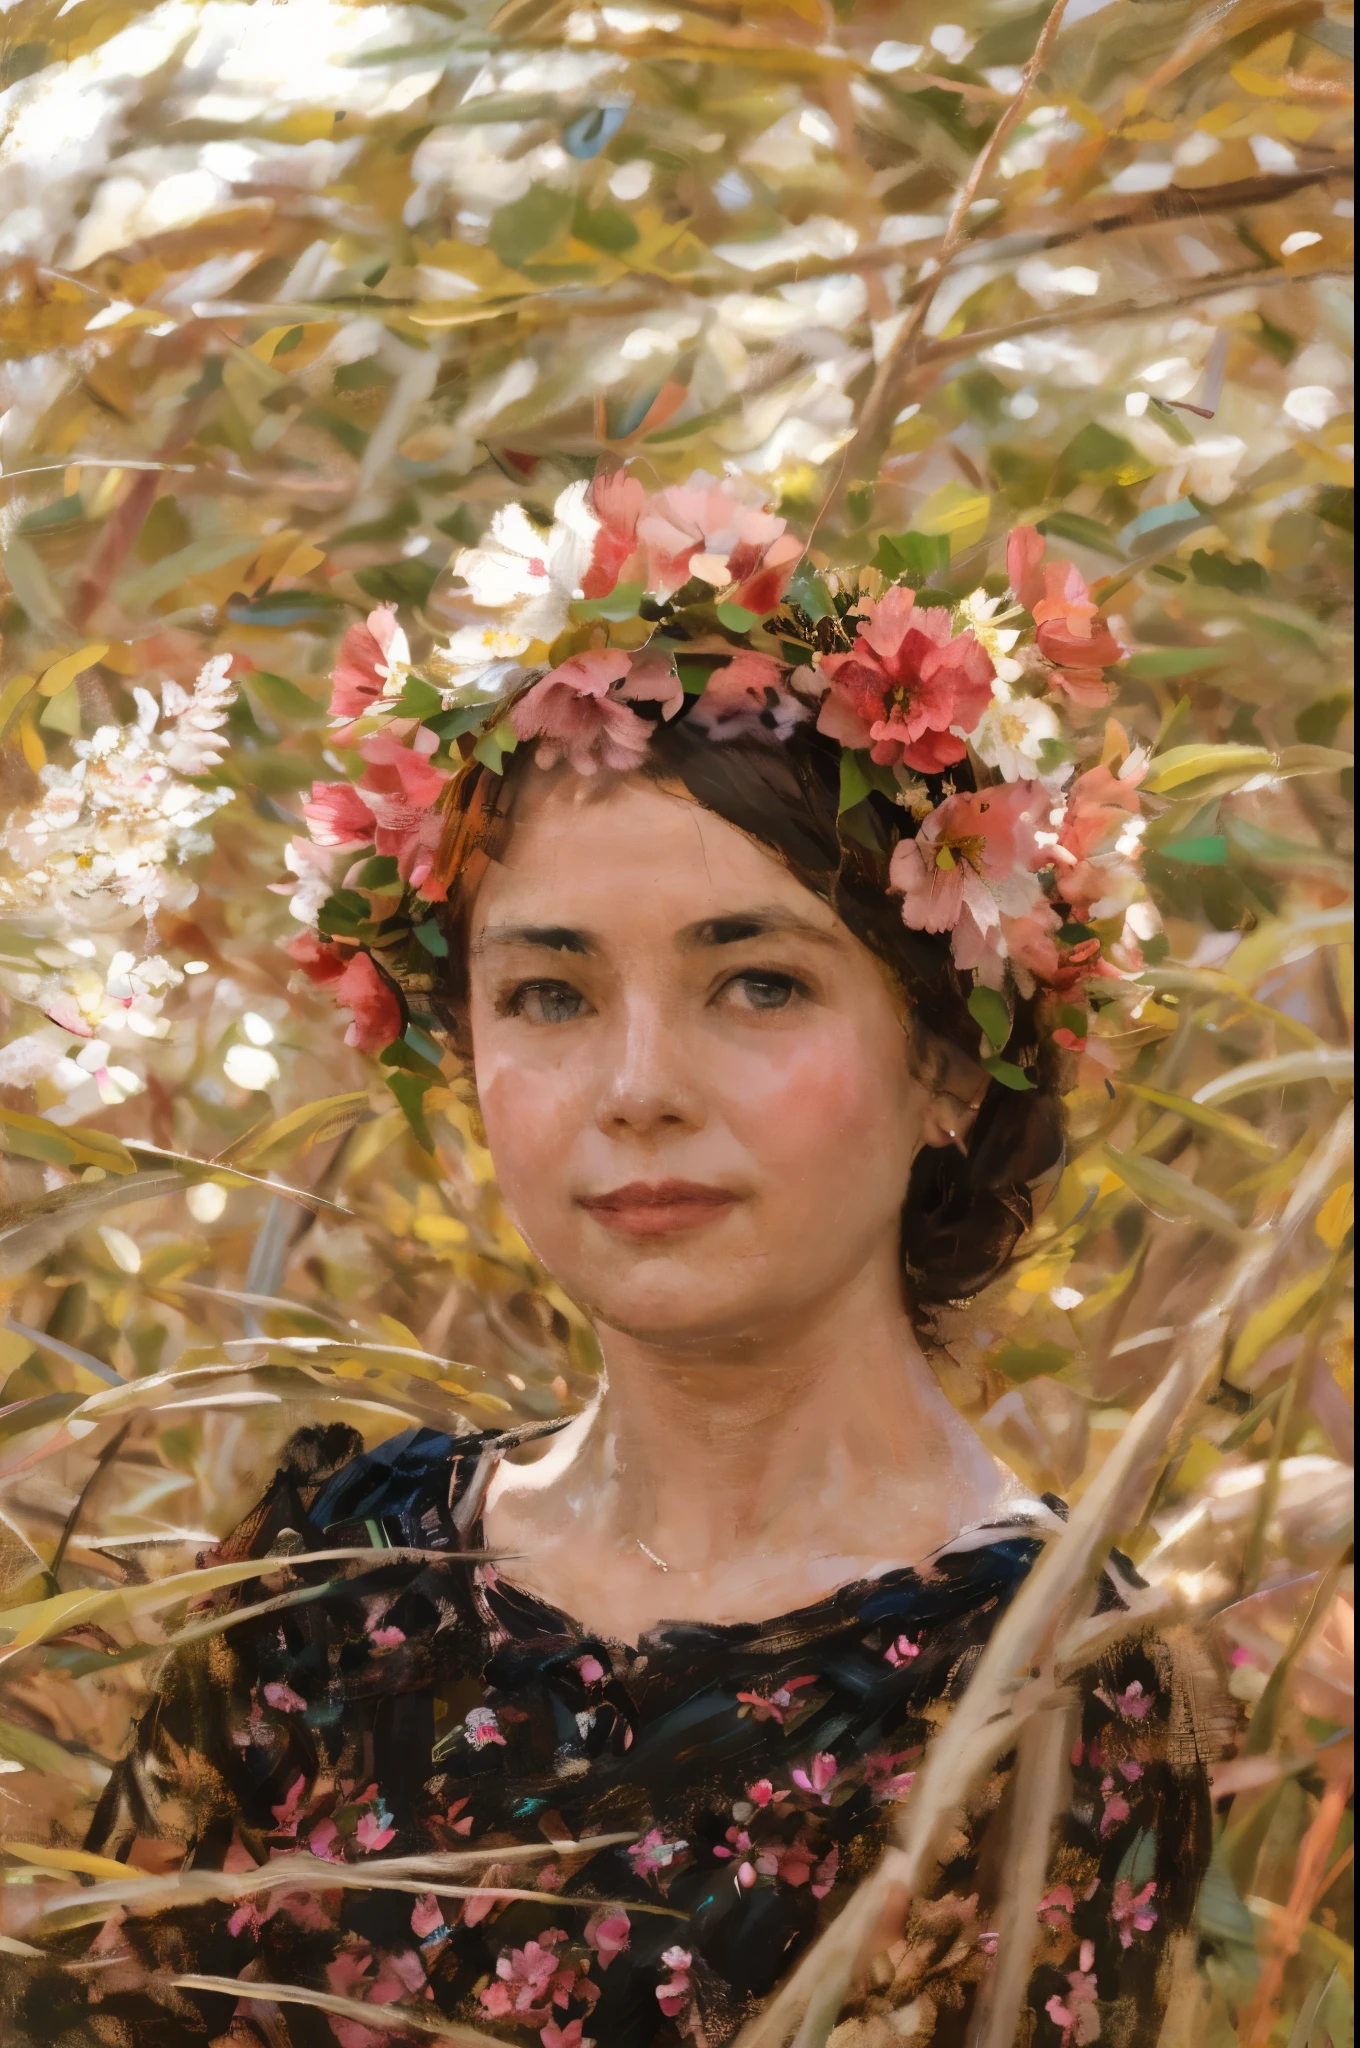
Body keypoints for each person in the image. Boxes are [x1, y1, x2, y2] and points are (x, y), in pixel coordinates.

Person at [24, 482, 1214, 2047]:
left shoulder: (1060, 1688)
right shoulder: (332, 1576)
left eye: (762, 983)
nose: (639, 1085)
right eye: (554, 996)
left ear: (949, 1067)